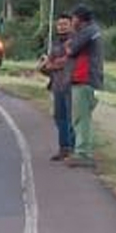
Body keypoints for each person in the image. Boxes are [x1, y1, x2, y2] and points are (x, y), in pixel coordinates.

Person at [64, 4, 104, 167]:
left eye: (73, 18)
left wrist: (69, 42)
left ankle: (83, 153)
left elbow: (70, 49)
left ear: (80, 19)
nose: (71, 22)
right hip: (88, 79)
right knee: (81, 118)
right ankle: (82, 151)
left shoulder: (88, 32)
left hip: (84, 79)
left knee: (81, 119)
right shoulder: (93, 30)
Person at [38, 13, 75, 161]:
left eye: (65, 24)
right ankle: (64, 148)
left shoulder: (74, 42)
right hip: (57, 85)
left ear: (71, 24)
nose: (62, 27)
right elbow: (48, 66)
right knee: (59, 118)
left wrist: (51, 64)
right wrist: (44, 65)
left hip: (71, 84)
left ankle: (73, 147)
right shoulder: (55, 43)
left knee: (71, 118)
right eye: (59, 24)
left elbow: (65, 62)